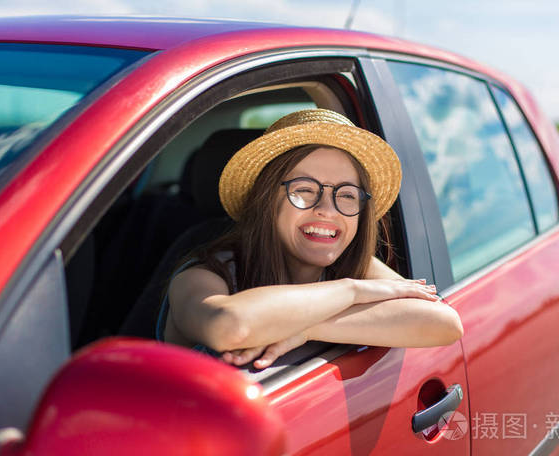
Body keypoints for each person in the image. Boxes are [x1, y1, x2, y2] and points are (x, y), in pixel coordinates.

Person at [157, 109, 463, 369]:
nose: (327, 210)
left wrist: (309, 328)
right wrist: (351, 291)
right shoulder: (202, 274)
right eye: (303, 189)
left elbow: (444, 322)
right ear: (265, 200)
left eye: (345, 195)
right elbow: (231, 326)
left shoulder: (355, 262)